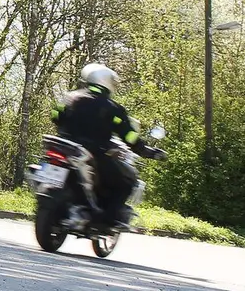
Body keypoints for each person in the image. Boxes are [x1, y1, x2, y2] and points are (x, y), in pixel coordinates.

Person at [52, 63, 167, 228]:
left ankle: (78, 209)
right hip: (94, 153)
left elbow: (55, 116)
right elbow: (129, 136)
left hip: (64, 146)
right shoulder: (113, 108)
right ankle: (104, 222)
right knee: (125, 183)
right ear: (107, 82)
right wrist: (147, 151)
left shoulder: (69, 97)